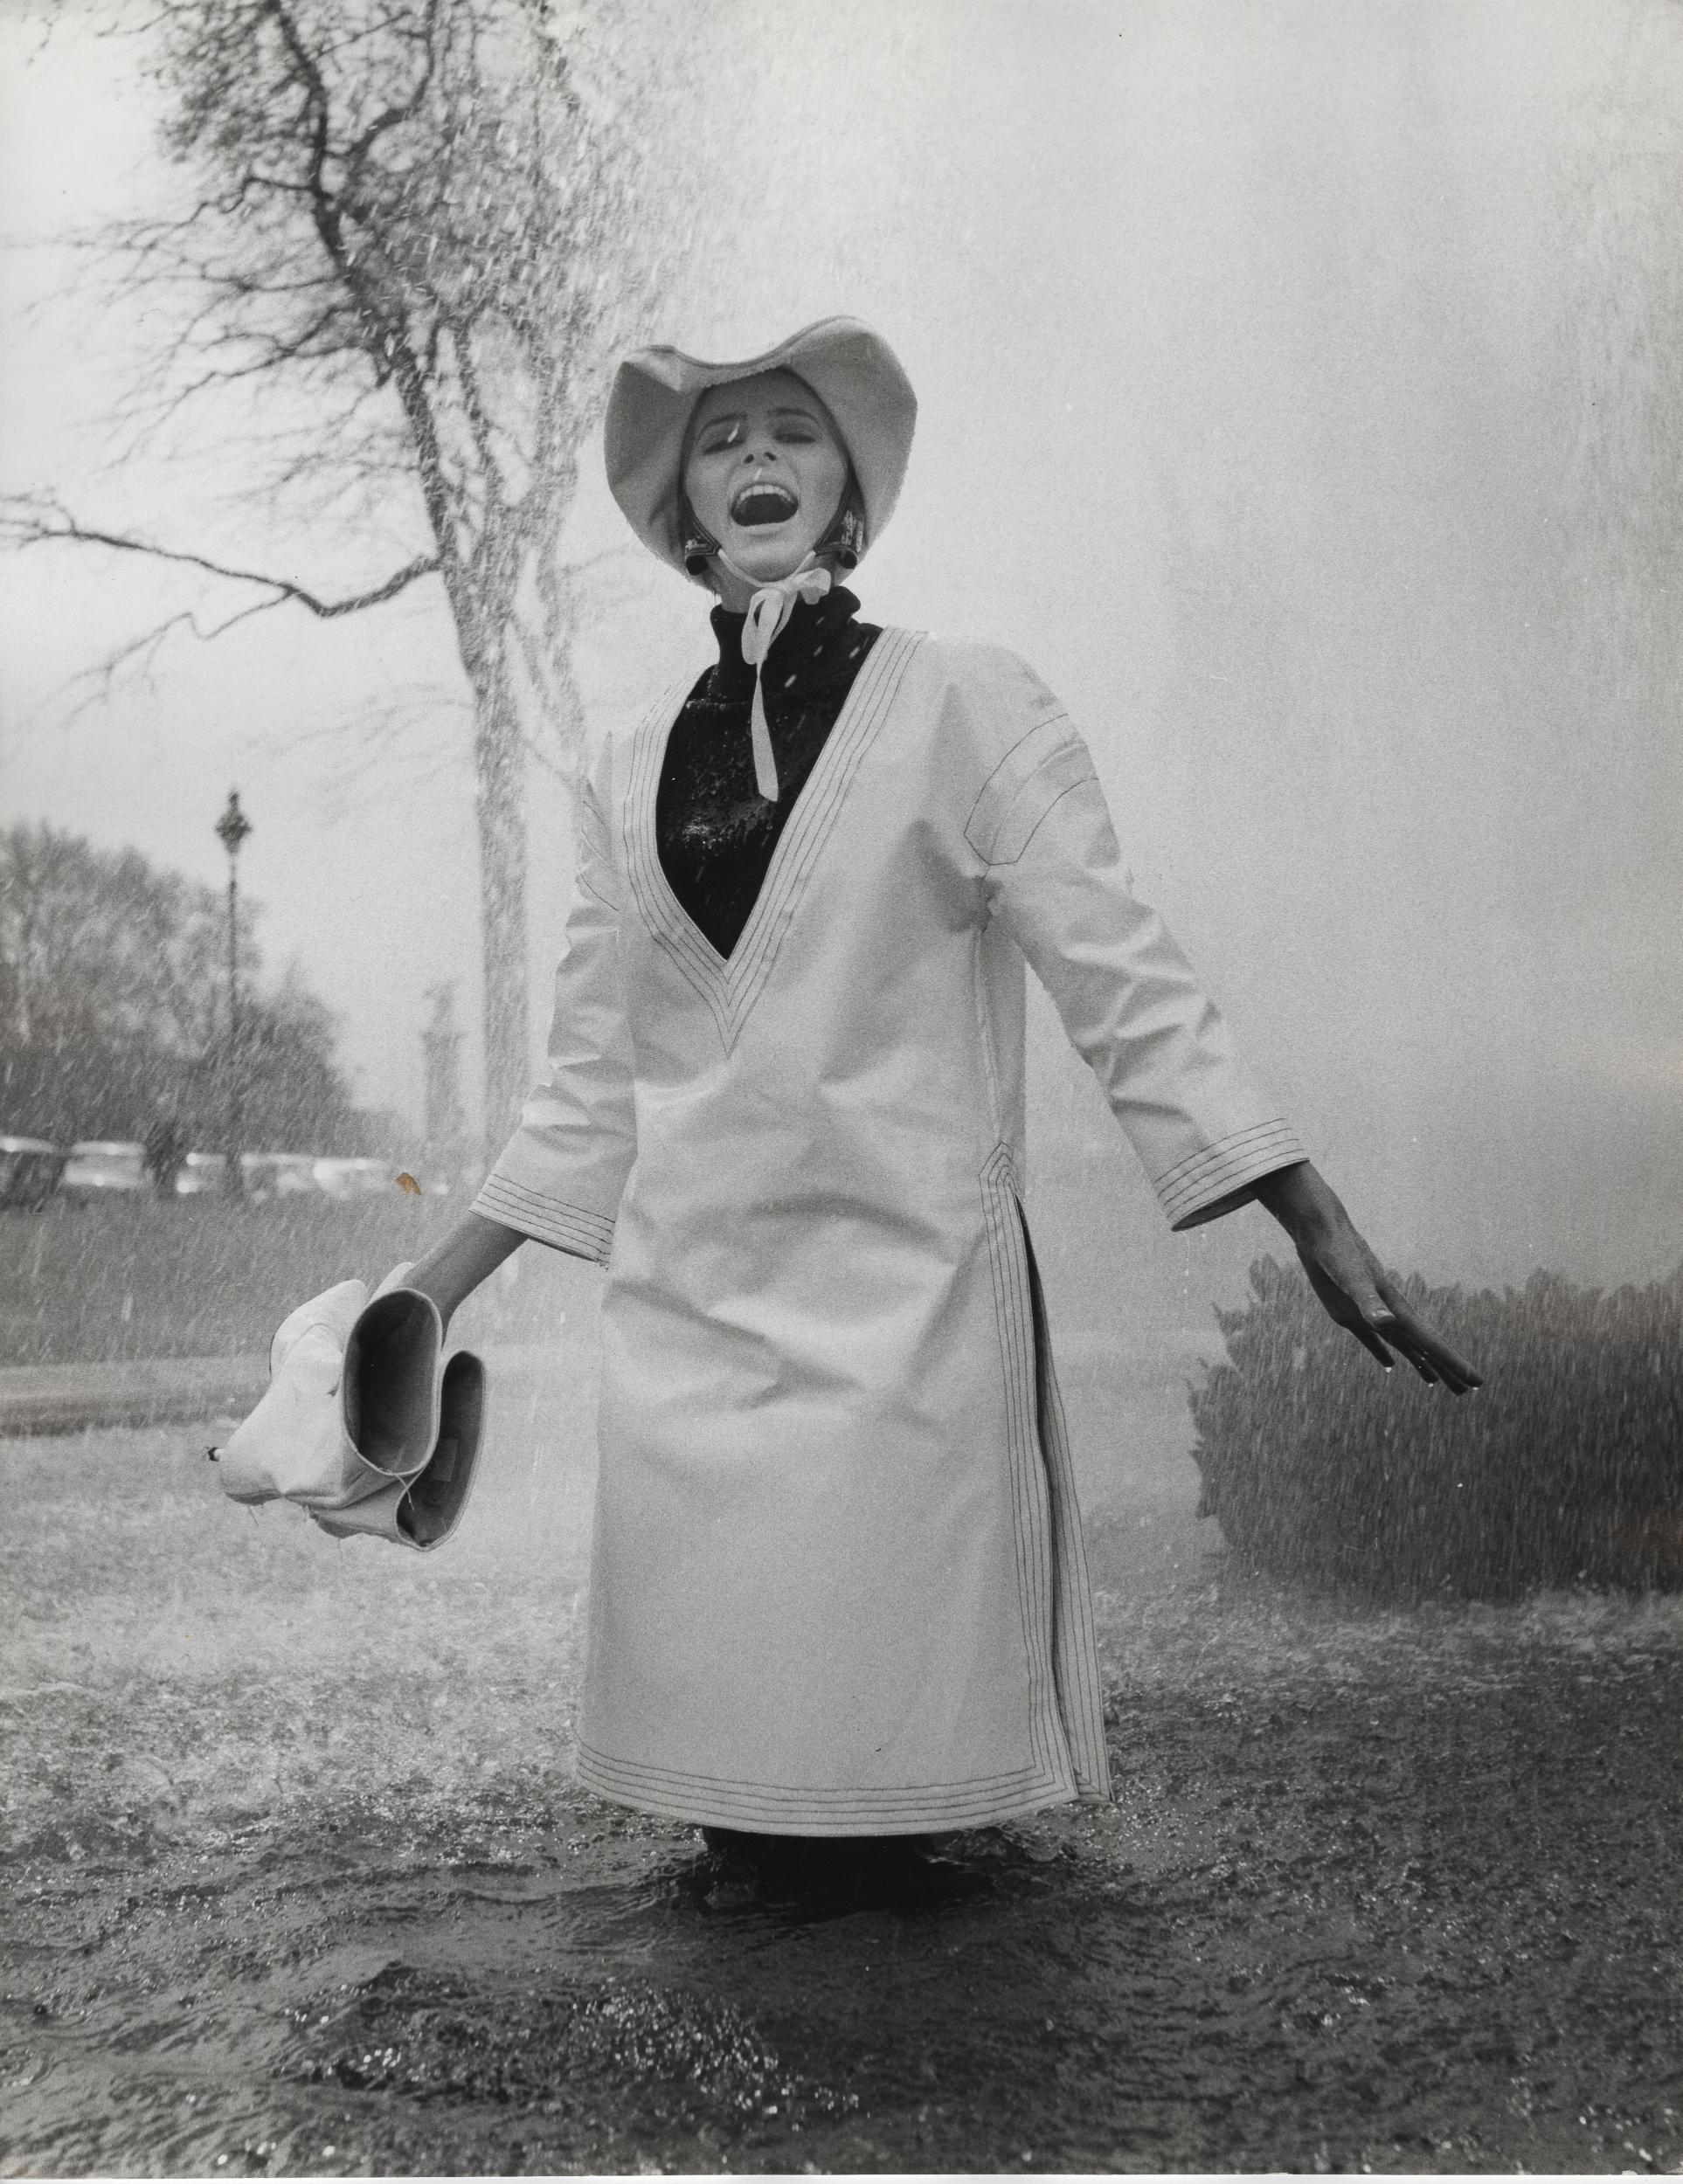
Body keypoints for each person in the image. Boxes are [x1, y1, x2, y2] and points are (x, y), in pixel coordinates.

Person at [397, 316, 1480, 1853]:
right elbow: (586, 1102)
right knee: (737, 1844)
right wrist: (421, 1299)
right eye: (720, 439)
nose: (755, 456)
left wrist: (1305, 1208)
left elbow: (1122, 972)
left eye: (790, 430)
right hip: (686, 1349)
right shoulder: (623, 764)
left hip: (907, 1338)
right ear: (685, 515)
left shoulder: (966, 700)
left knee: (904, 1826)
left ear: (843, 491)